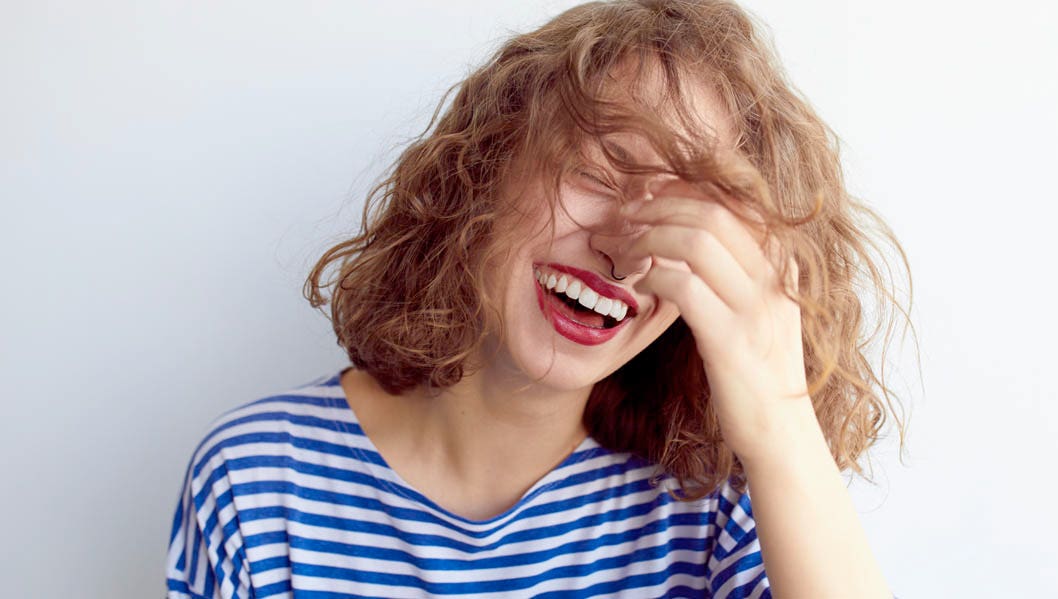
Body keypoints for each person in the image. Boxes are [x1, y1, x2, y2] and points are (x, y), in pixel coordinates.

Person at [165, 0, 913, 597]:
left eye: (690, 221)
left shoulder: (717, 516)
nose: (626, 251)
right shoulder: (257, 486)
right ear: (487, 164)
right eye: (604, 168)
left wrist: (782, 421)